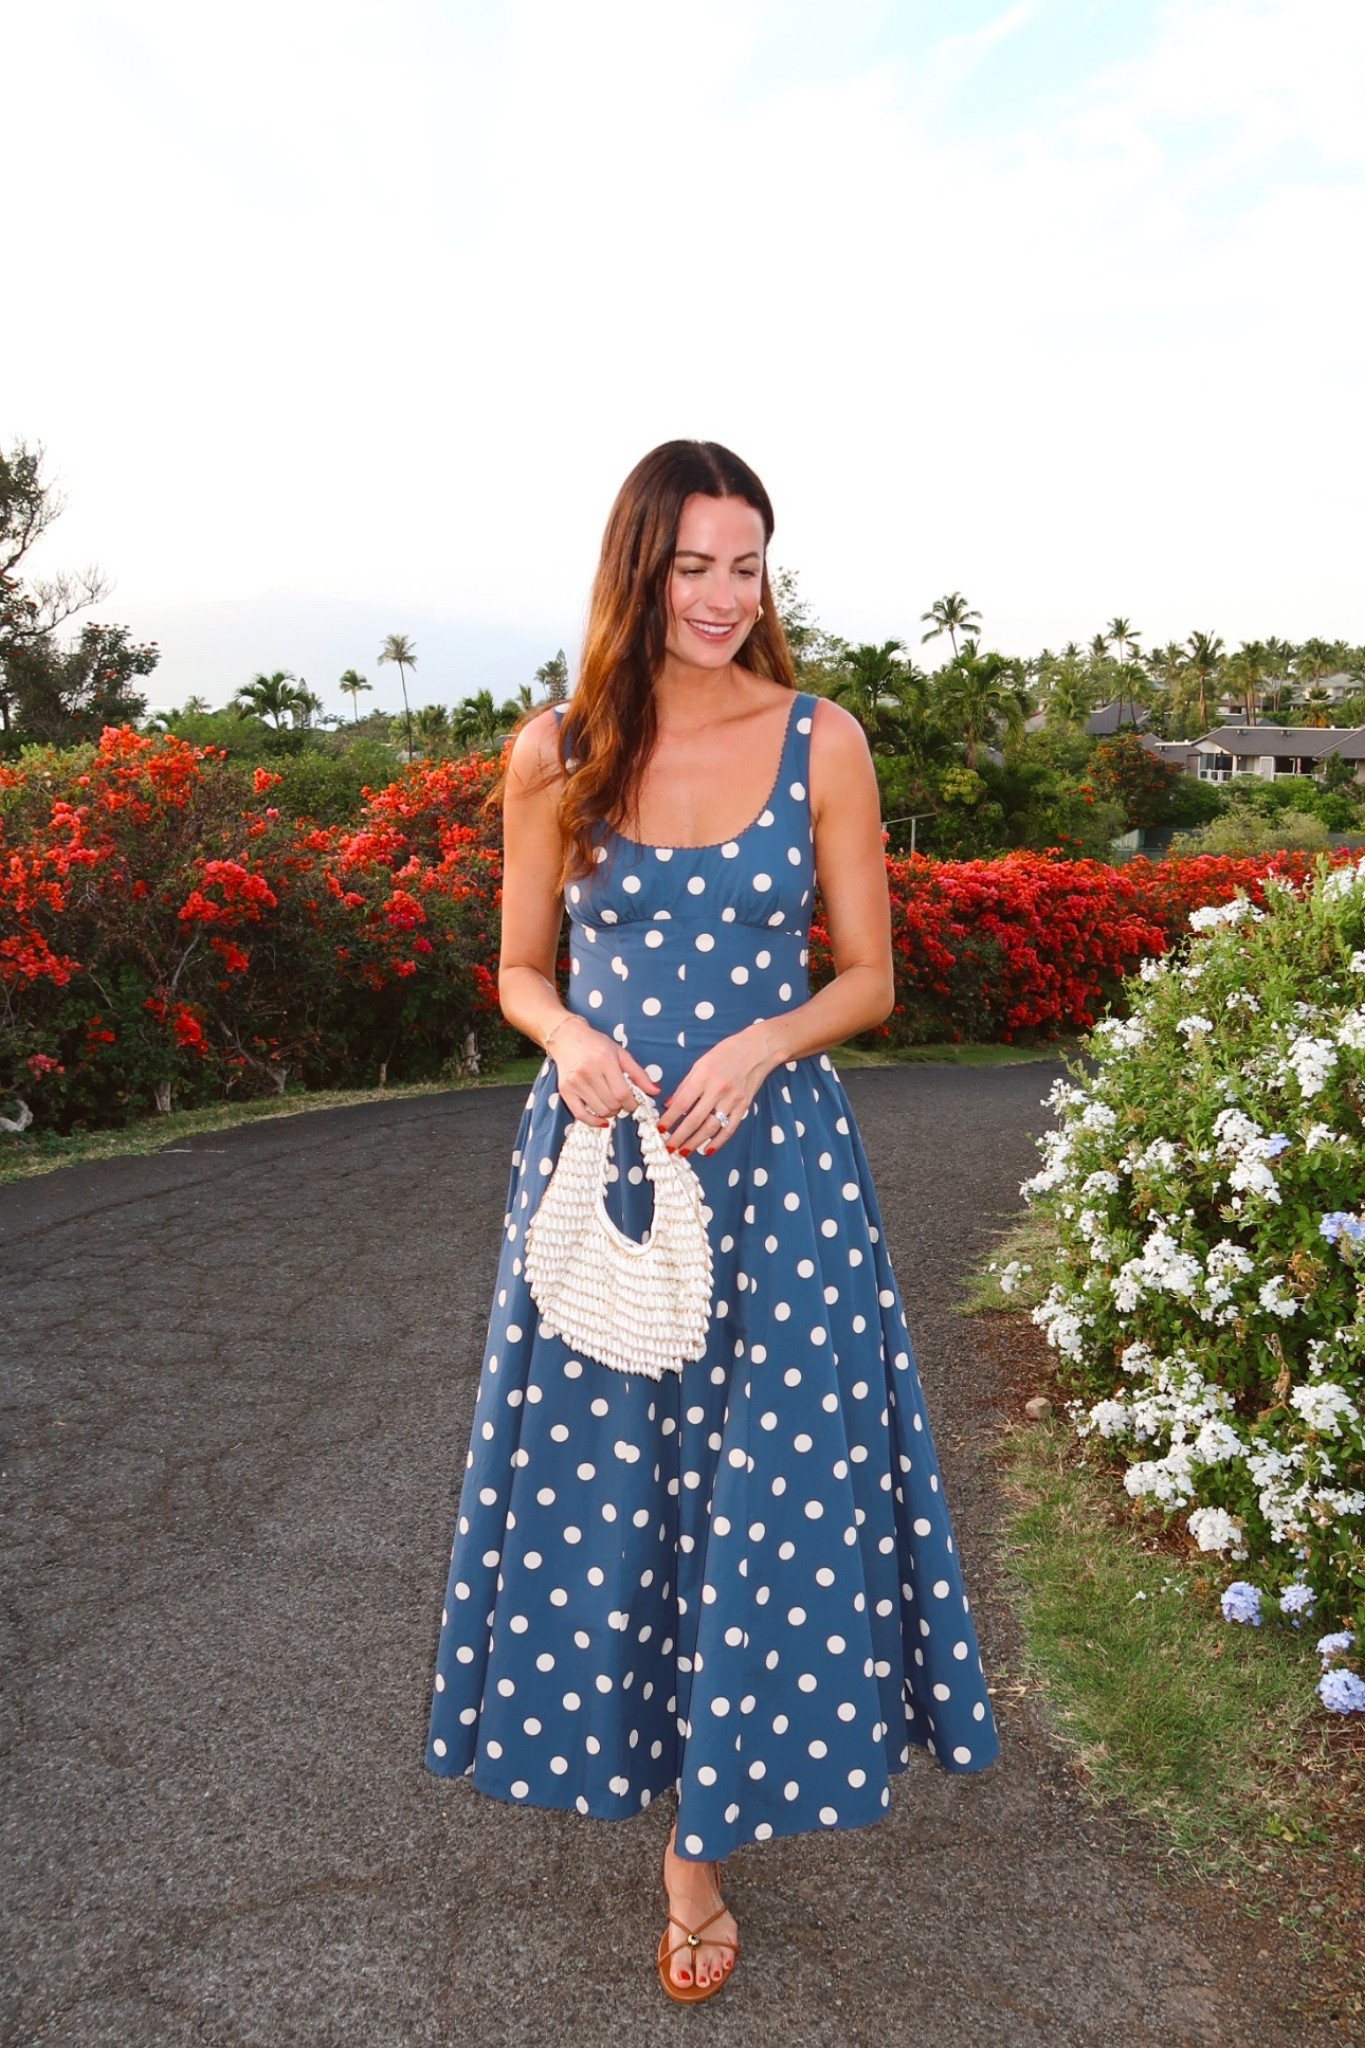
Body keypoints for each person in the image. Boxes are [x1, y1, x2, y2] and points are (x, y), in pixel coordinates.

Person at [425, 440, 999, 2003]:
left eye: (746, 565)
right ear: (638, 572)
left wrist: (760, 1040)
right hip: (606, 1162)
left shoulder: (823, 739)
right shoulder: (553, 752)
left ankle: (699, 1848)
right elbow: (520, 970)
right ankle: (640, 1771)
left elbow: (868, 979)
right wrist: (568, 1045)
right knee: (616, 1492)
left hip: (777, 1176)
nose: (723, 597)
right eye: (693, 566)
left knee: (762, 1496)